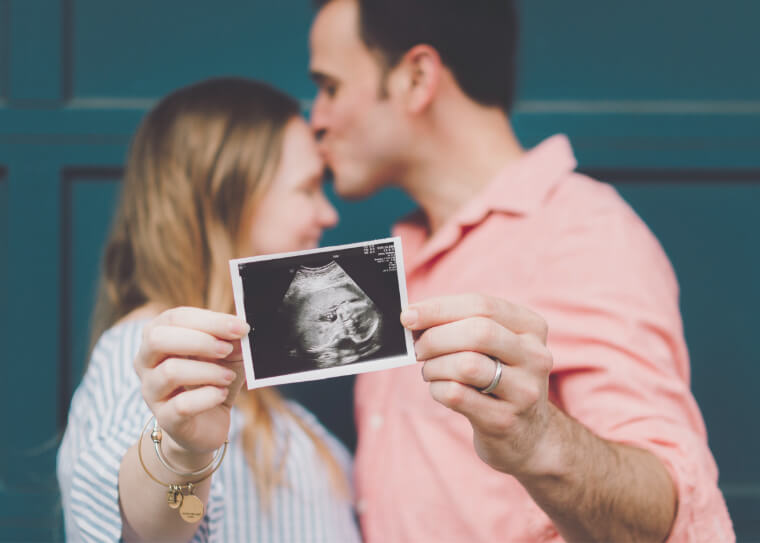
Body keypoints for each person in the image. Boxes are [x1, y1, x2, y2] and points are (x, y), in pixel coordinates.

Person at [307, 0, 734, 541]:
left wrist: (537, 440)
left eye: (330, 87)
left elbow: (665, 512)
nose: (315, 118)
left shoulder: (581, 233)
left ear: (417, 78)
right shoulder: (398, 252)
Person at [56, 77, 360, 542]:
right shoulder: (148, 357)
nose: (328, 214)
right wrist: (181, 454)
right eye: (308, 188)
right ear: (225, 198)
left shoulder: (244, 377)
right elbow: (145, 525)